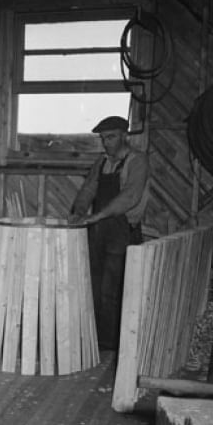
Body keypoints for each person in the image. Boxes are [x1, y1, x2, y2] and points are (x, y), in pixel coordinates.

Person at [69, 115, 149, 352]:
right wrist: (79, 211)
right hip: (99, 232)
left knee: (113, 290)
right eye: (103, 138)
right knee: (94, 285)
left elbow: (130, 197)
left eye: (111, 137)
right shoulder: (102, 162)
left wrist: (98, 215)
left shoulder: (137, 161)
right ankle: (96, 342)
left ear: (124, 135)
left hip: (123, 231)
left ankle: (116, 347)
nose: (106, 143)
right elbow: (88, 189)